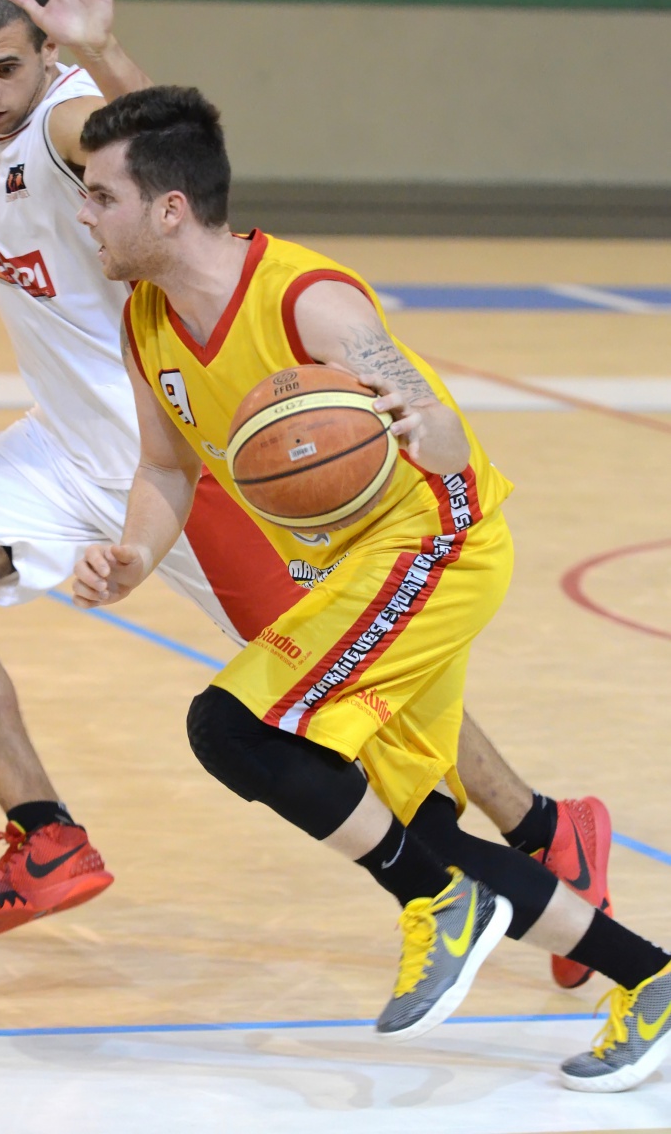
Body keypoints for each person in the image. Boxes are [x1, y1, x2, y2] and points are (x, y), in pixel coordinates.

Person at [0, 0, 611, 987]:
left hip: (181, 463)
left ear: (47, 52)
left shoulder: (65, 118)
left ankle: (541, 829)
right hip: (66, 446)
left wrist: (104, 48)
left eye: (7, 67)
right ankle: (46, 834)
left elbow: (150, 145)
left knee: (349, 691)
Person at [70, 85, 671, 1092]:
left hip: (436, 542)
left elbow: (439, 428)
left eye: (99, 196)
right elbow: (168, 466)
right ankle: (649, 977)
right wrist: (133, 554)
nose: (84, 214)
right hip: (360, 568)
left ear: (168, 208)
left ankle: (438, 904)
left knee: (231, 727)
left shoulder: (310, 300)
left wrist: (420, 418)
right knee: (417, 829)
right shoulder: (146, 318)